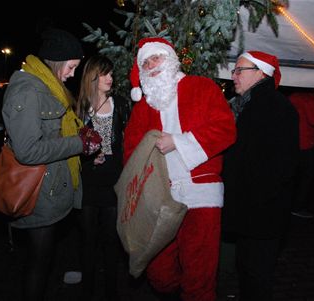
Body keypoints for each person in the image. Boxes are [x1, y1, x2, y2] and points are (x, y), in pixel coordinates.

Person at [123, 37, 237, 301]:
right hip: (159, 197)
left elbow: (225, 129)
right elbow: (130, 152)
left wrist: (178, 142)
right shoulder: (143, 106)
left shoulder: (202, 87)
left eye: (156, 57)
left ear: (171, 58)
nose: (151, 64)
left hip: (201, 193)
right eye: (145, 62)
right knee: (159, 272)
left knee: (200, 274)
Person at [1, 28, 101, 301]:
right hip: (37, 192)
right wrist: (78, 145)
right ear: (57, 62)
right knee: (38, 262)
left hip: (50, 187)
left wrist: (81, 136)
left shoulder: (48, 86)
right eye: (71, 67)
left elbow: (54, 131)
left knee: (44, 260)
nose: (72, 74)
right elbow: (28, 150)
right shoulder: (27, 90)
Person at [222, 51, 299, 301]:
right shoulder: (249, 104)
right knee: (248, 272)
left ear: (261, 73)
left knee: (257, 276)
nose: (233, 75)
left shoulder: (274, 107)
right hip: (251, 212)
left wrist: (254, 199)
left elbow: (281, 166)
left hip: (261, 213)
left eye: (239, 70)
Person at [75, 55, 131, 300]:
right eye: (105, 74)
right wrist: (87, 158)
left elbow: (127, 140)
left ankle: (111, 291)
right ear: (93, 76)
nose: (111, 78)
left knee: (111, 240)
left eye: (111, 73)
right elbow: (71, 143)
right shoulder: (79, 106)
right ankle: (87, 290)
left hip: (113, 178)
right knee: (87, 240)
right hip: (88, 180)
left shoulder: (119, 103)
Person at [289, 89, 314, 218]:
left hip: (293, 143)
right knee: (306, 177)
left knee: (293, 176)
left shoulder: (292, 96)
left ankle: (288, 204)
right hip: (306, 144)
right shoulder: (309, 99)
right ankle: (297, 206)